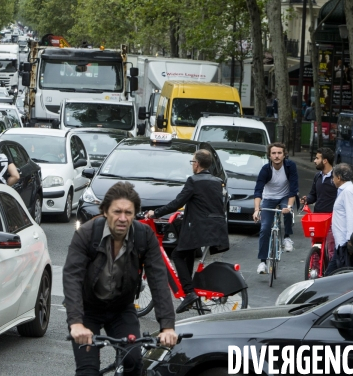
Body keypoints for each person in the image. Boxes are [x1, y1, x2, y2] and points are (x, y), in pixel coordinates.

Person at [63, 182, 177, 376]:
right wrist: (76, 323)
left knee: (133, 361)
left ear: (134, 214)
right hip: (87, 309)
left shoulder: (144, 236)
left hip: (121, 308)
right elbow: (72, 276)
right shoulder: (87, 233)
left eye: (128, 213)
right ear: (105, 211)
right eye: (117, 212)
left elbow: (158, 279)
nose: (123, 218)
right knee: (87, 370)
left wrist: (167, 326)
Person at [146, 149, 229, 313]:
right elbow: (209, 204)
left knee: (177, 254)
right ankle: (189, 288)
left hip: (199, 228)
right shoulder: (217, 181)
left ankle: (189, 292)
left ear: (197, 164)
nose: (192, 165)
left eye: (193, 162)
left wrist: (155, 212)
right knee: (188, 252)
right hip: (216, 228)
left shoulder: (194, 181)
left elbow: (177, 202)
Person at [253, 143, 299, 274]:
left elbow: (293, 189)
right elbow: (258, 191)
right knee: (265, 227)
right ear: (269, 155)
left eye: (279, 153)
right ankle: (262, 262)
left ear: (284, 155)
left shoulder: (290, 166)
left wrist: (289, 207)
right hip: (268, 198)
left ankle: (287, 237)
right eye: (274, 153)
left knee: (288, 211)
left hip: (285, 196)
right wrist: (257, 209)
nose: (277, 156)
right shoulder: (265, 169)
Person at [325, 163, 353, 275]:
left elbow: (352, 217)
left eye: (333, 177)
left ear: (339, 177)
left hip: (345, 244)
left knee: (330, 277)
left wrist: (350, 241)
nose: (332, 180)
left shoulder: (348, 192)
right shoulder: (349, 190)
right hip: (343, 244)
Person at [301, 147, 337, 259]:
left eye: (317, 158)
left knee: (331, 250)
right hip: (318, 219)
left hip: (332, 220)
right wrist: (307, 199)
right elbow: (314, 195)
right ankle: (315, 272)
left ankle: (331, 275)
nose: (314, 161)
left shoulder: (337, 177)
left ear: (325, 161)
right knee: (316, 248)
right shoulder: (317, 176)